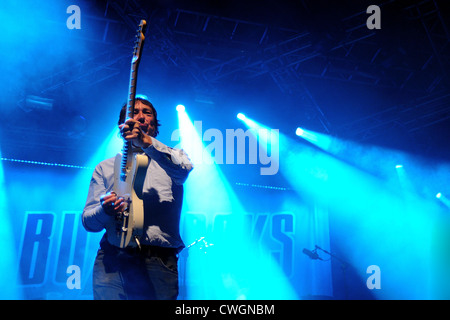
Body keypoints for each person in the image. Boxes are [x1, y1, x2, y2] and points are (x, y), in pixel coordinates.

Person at [82, 95, 193, 300]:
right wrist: (104, 211)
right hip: (112, 256)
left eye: (147, 113)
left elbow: (183, 170)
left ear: (155, 124)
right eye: (134, 113)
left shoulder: (174, 157)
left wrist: (146, 142)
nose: (140, 117)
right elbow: (89, 222)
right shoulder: (104, 167)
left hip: (158, 259)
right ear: (122, 125)